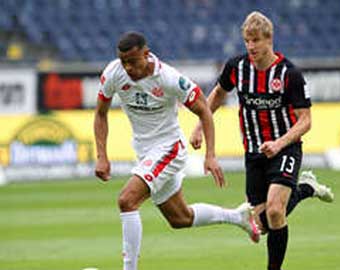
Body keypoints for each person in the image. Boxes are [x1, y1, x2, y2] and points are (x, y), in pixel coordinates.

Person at [94, 31, 260, 270]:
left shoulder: (169, 78)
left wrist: (210, 155)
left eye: (133, 61)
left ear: (146, 54)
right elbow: (100, 113)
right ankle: (238, 217)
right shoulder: (113, 73)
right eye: (124, 62)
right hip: (144, 152)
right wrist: (102, 156)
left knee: (126, 201)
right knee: (180, 218)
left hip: (169, 149)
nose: (128, 67)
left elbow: (203, 108)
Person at [190, 11, 334, 270]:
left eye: (256, 40)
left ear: (269, 40)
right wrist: (200, 125)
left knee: (277, 210)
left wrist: (279, 143)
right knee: (263, 224)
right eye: (247, 40)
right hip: (254, 151)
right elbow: (219, 94)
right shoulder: (237, 67)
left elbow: (306, 121)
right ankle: (306, 188)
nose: (251, 46)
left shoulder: (290, 74)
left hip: (285, 148)